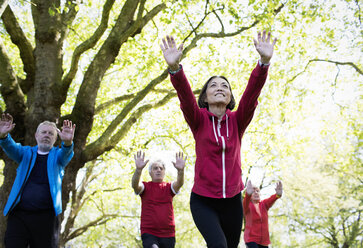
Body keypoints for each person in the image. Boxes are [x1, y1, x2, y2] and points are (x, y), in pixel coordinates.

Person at [159, 30, 277, 247]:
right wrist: (175, 69)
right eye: (213, 85)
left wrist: (264, 63)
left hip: (232, 201)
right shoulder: (198, 119)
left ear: (230, 96)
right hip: (203, 201)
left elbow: (251, 96)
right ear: (204, 97)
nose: (220, 88)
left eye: (225, 86)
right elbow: (185, 98)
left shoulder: (237, 121)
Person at [0, 113, 75, 248]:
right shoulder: (25, 153)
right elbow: (11, 147)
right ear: (36, 135)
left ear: (55, 138)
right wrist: (4, 136)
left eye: (51, 134)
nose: (47, 135)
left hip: (46, 218)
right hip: (19, 216)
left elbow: (66, 154)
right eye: (44, 132)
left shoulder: (58, 157)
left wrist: (68, 143)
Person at [132, 151, 186, 248]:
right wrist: (138, 170)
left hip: (168, 234)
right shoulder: (145, 187)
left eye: (161, 168)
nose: (158, 170)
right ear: (150, 173)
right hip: (149, 232)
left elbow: (179, 183)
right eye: (155, 168)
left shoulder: (169, 187)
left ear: (164, 172)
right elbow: (135, 185)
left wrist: (181, 171)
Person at [243, 181, 283, 248]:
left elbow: (272, 199)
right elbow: (245, 202)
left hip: (264, 242)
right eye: (253, 191)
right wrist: (248, 194)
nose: (256, 193)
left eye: (257, 191)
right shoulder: (247, 206)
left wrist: (278, 195)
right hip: (251, 239)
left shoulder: (264, 204)